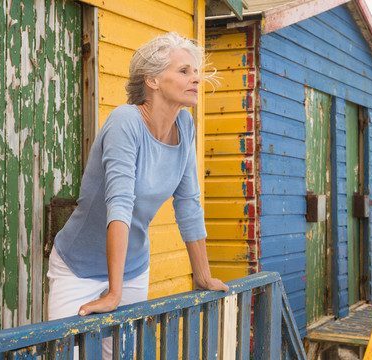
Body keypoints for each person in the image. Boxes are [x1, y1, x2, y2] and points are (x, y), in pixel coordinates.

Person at [47, 32, 228, 357]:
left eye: (196, 71)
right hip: (79, 268)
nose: (196, 78)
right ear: (153, 80)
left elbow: (188, 203)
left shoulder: (184, 126)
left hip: (132, 269)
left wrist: (202, 276)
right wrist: (113, 293)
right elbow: (120, 204)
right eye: (184, 71)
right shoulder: (125, 122)